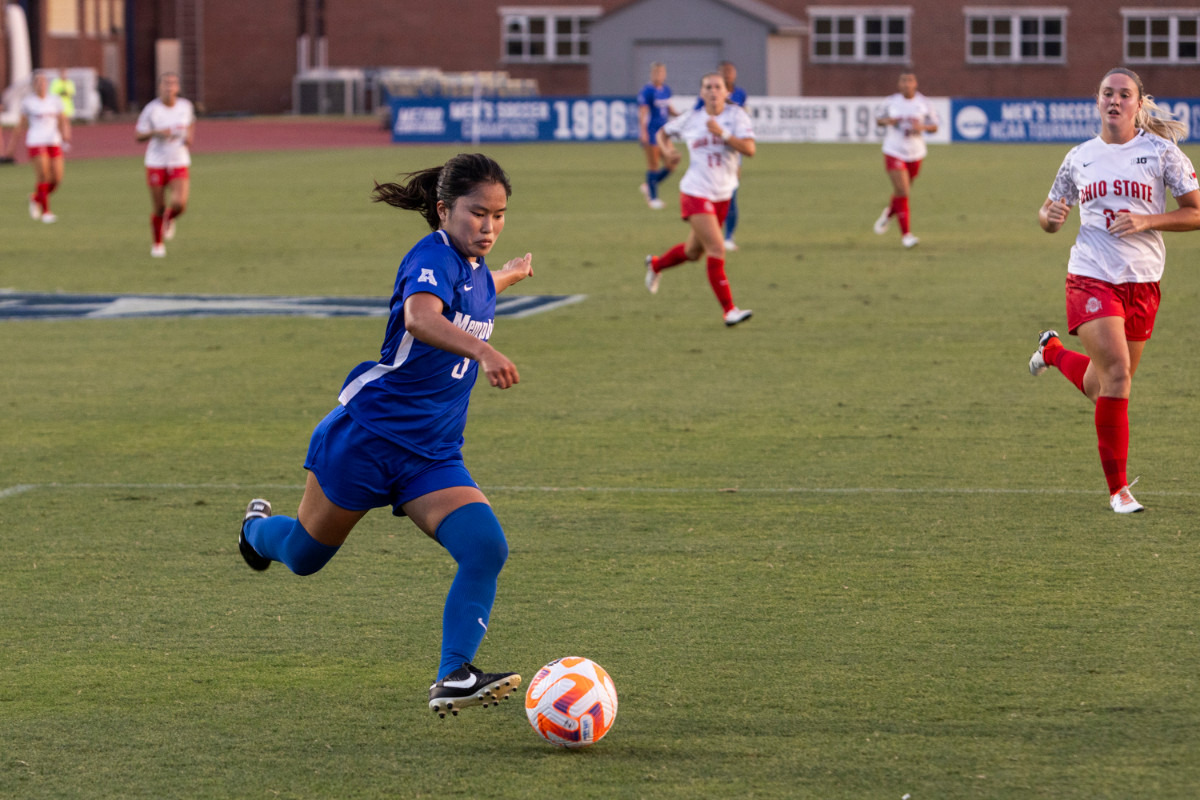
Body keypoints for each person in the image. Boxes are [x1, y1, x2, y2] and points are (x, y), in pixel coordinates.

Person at [237, 153, 533, 717]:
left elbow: (474, 291)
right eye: (477, 214)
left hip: (431, 455)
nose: (489, 227)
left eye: (499, 215)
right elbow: (423, 317)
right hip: (367, 438)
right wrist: (485, 349)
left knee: (486, 547)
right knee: (303, 555)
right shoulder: (429, 257)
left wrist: (510, 274)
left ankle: (454, 674)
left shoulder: (472, 266)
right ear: (445, 210)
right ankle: (255, 531)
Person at [1029, 67, 1200, 513]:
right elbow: (1048, 215)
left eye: (1125, 94)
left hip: (1142, 283)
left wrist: (1148, 219)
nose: (1115, 101)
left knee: (1105, 384)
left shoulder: (1163, 154)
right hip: (1090, 275)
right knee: (1118, 377)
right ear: (1097, 100)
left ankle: (1050, 352)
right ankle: (1118, 491)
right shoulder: (1079, 157)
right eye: (1108, 93)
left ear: (1138, 104)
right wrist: (1050, 219)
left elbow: (1196, 212)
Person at [644, 72, 756, 326]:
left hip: (723, 194)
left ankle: (656, 265)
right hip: (695, 192)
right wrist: (668, 151)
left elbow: (749, 150)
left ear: (727, 92)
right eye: (708, 87)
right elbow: (662, 133)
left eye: (718, 87)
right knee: (717, 249)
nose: (714, 91)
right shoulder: (692, 119)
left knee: (693, 252)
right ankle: (729, 310)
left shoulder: (736, 116)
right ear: (701, 93)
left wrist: (723, 133)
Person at [872, 72, 938, 248]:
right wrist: (888, 121)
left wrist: (922, 126)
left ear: (915, 83)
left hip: (916, 153)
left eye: (909, 81)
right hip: (894, 150)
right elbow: (878, 120)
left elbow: (935, 126)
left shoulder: (924, 103)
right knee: (903, 191)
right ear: (898, 84)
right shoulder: (891, 102)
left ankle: (888, 214)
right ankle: (906, 236)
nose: (906, 84)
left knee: (903, 191)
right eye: (903, 81)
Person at [135, 73, 195, 257]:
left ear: (177, 88)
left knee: (179, 204)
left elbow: (191, 122)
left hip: (179, 160)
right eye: (166, 83)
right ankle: (157, 244)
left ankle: (170, 219)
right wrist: (156, 132)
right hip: (156, 162)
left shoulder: (186, 106)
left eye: (173, 83)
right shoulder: (151, 110)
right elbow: (138, 135)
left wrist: (189, 137)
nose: (169, 87)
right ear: (159, 87)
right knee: (159, 207)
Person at [694, 61, 747, 251]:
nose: (728, 74)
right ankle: (709, 236)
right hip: (709, 152)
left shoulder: (740, 94)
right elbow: (695, 118)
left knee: (731, 193)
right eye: (724, 72)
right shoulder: (707, 95)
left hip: (730, 151)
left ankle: (729, 237)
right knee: (708, 195)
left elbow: (744, 116)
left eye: (730, 71)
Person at [5, 71, 70, 223]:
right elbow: (20, 125)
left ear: (47, 84)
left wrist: (65, 135)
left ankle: (35, 198)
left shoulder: (55, 100)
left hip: (53, 141)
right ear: (34, 86)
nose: (41, 85)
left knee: (57, 179)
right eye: (38, 83)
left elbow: (63, 119)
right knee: (44, 175)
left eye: (44, 82)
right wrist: (11, 147)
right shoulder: (28, 102)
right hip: (36, 141)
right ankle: (46, 212)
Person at [637, 62, 676, 210]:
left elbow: (669, 108)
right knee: (653, 165)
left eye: (661, 72)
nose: (658, 75)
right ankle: (653, 199)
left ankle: (649, 185)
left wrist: (680, 115)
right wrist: (643, 131)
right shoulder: (647, 91)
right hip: (652, 131)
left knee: (672, 162)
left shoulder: (666, 90)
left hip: (664, 133)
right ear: (651, 74)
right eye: (656, 72)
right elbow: (643, 112)